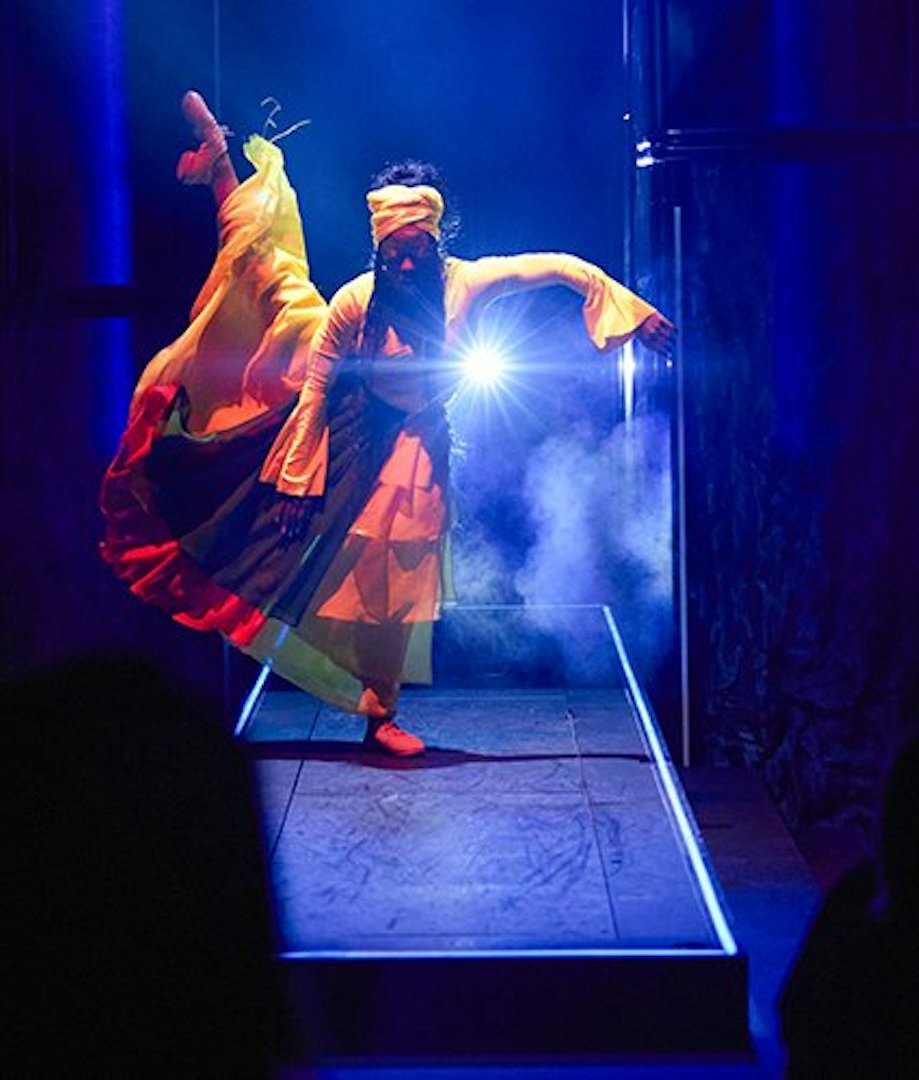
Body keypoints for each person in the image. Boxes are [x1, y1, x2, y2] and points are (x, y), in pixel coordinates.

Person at [100, 91, 674, 755]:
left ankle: (380, 713)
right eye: (394, 254)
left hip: (413, 435)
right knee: (267, 280)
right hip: (346, 416)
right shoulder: (357, 299)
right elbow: (317, 386)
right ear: (380, 251)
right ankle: (223, 162)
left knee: (396, 569)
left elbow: (561, 268)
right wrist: (295, 474)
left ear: (435, 244)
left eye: (415, 252)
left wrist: (629, 312)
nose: (405, 265)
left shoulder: (468, 282)